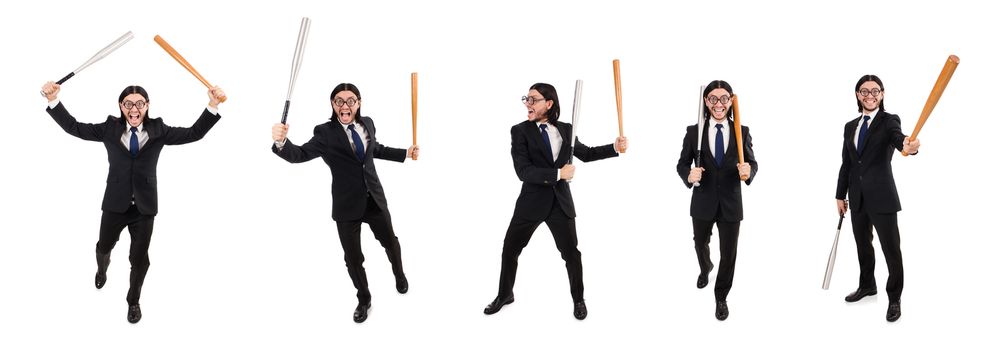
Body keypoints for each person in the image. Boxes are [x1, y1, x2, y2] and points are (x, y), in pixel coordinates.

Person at [40, 81, 226, 323]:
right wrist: (53, 100)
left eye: (140, 103)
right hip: (114, 204)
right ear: (121, 106)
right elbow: (74, 127)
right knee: (103, 247)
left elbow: (193, 133)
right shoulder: (109, 128)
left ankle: (133, 301)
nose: (134, 108)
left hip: (144, 208)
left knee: (139, 259)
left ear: (147, 106)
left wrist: (212, 104)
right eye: (128, 104)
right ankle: (101, 269)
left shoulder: (159, 130)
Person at [271, 83, 418, 323]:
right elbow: (299, 155)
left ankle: (399, 275)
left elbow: (374, 150)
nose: (345, 105)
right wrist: (281, 143)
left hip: (374, 198)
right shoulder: (325, 133)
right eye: (339, 101)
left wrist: (405, 153)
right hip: (346, 205)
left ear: (359, 103)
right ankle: (364, 298)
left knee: (391, 243)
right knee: (353, 259)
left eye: (351, 100)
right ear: (333, 105)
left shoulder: (367, 123)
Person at [483, 82, 627, 320]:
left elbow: (587, 154)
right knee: (510, 249)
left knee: (572, 254)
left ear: (548, 104)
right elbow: (523, 171)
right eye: (526, 99)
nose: (527, 104)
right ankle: (505, 294)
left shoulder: (566, 129)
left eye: (533, 99)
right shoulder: (519, 131)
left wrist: (614, 147)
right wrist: (558, 174)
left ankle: (578, 299)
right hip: (530, 203)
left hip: (560, 203)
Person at [835, 74, 920, 322]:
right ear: (857, 95)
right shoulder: (850, 126)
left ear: (882, 94)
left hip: (882, 197)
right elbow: (847, 163)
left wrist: (908, 145)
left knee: (891, 250)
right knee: (863, 246)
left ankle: (894, 298)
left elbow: (898, 138)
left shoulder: (888, 121)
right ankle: (867, 285)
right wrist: (840, 195)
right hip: (857, 197)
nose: (870, 96)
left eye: (875, 91)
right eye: (864, 91)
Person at [675, 80, 757, 321]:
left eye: (724, 98)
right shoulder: (694, 132)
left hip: (731, 202)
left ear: (731, 101)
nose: (718, 103)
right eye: (713, 98)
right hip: (703, 200)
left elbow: (753, 162)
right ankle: (705, 267)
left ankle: (721, 296)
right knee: (700, 243)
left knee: (729, 254)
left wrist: (748, 171)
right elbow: (681, 163)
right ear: (706, 101)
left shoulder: (742, 131)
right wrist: (688, 175)